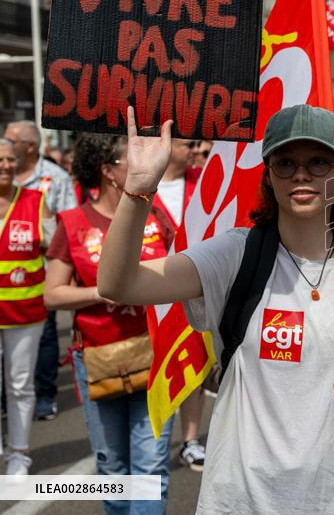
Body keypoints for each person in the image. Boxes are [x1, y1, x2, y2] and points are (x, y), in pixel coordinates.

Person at [97, 105, 334, 513]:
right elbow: (118, 284)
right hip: (246, 499)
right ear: (268, 174)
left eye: (318, 162)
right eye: (286, 163)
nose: (301, 174)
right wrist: (139, 188)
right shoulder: (236, 254)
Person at [44, 133, 174, 513]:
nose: (141, 164)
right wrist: (109, 289)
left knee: (151, 468)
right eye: (129, 160)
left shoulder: (156, 215)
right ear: (107, 171)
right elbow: (52, 295)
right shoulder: (72, 222)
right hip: (98, 360)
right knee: (113, 469)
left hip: (154, 355)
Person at [5, 120, 78, 422]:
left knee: (47, 336)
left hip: (40, 279)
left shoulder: (55, 178)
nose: (6, 148)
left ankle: (45, 394)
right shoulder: (5, 175)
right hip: (4, 289)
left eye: (11, 141)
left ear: (30, 146)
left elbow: (69, 225)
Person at [151, 137, 207, 472]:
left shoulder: (203, 181)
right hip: (151, 292)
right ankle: (155, 438)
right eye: (187, 144)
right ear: (167, 146)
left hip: (194, 287)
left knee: (193, 364)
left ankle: (190, 440)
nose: (194, 149)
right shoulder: (142, 182)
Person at [0, 138, 52, 475]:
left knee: (20, 385)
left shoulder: (35, 201)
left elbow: (56, 246)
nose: (5, 165)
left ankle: (19, 453)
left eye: (9, 159)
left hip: (25, 313)